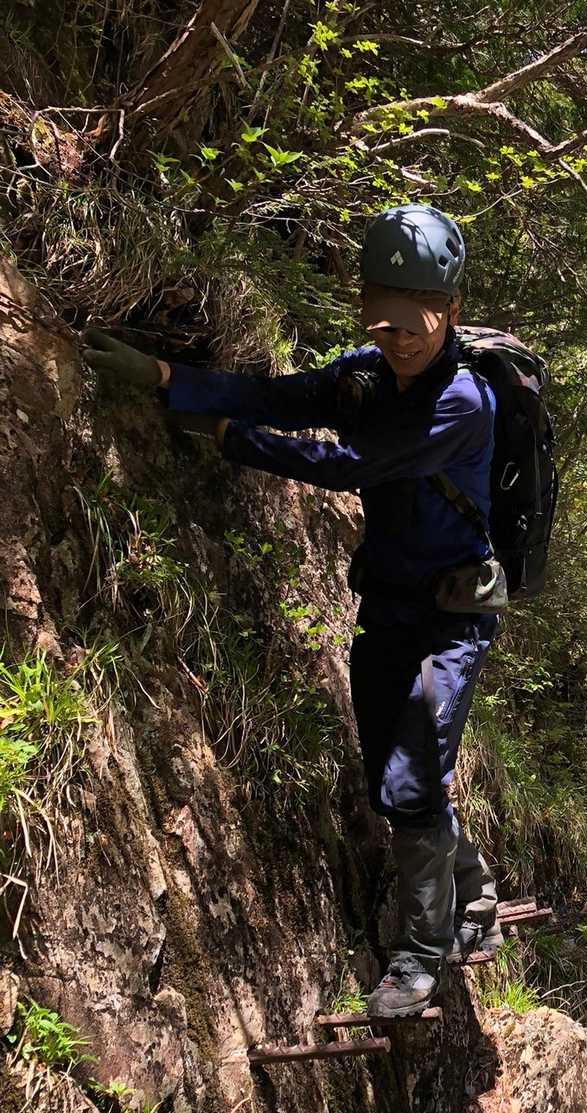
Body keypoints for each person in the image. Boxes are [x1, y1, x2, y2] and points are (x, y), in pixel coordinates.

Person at [83, 204, 504, 1017]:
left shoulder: (464, 403)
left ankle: (421, 956)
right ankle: (475, 893)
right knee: (394, 776)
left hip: (451, 619)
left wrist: (229, 437)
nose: (400, 337)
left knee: (412, 776)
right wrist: (168, 379)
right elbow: (277, 395)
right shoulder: (367, 373)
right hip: (386, 606)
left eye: (417, 319)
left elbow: (351, 465)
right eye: (385, 319)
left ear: (451, 309)